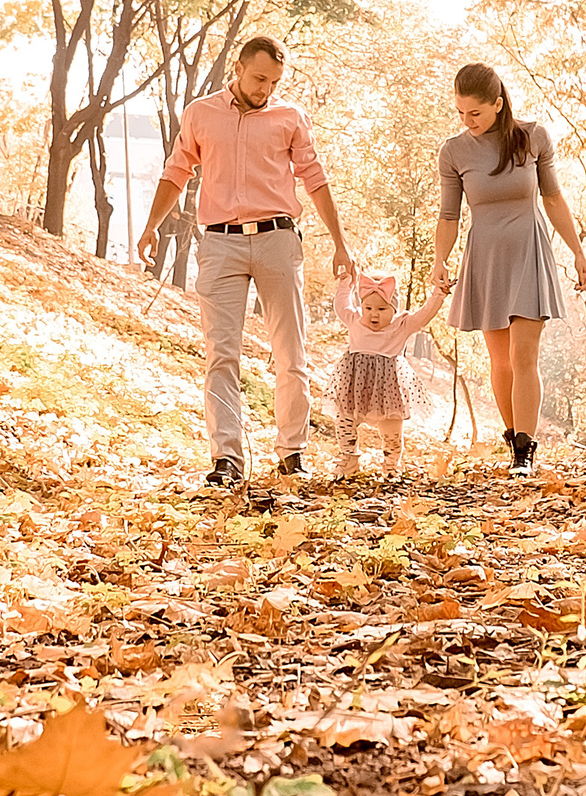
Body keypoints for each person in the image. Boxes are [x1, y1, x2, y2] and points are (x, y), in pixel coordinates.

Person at [137, 36, 358, 488]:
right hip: (220, 244)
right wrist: (151, 225)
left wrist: (340, 242)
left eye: (274, 81)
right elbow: (177, 170)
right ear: (238, 67)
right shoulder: (201, 114)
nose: (265, 89)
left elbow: (314, 178)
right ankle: (227, 459)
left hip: (277, 240)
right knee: (221, 354)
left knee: (290, 353)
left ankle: (292, 452)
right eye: (259, 78)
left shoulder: (289, 118)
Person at [432, 62, 586, 474]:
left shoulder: (533, 138)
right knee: (499, 361)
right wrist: (439, 260)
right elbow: (449, 215)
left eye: (475, 113)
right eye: (461, 113)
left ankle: (525, 451)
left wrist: (577, 252)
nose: (467, 121)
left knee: (524, 355)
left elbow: (554, 199)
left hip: (528, 251)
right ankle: (513, 439)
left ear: (498, 105)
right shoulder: (453, 152)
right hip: (486, 258)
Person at [330, 272, 447, 476]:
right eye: (368, 308)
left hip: (387, 389)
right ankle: (348, 459)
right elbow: (341, 306)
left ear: (394, 309)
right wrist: (345, 283)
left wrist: (439, 293)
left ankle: (392, 465)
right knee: (344, 419)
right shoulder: (355, 320)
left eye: (382, 309)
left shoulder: (401, 325)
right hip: (354, 386)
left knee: (392, 429)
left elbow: (425, 314)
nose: (374, 314)